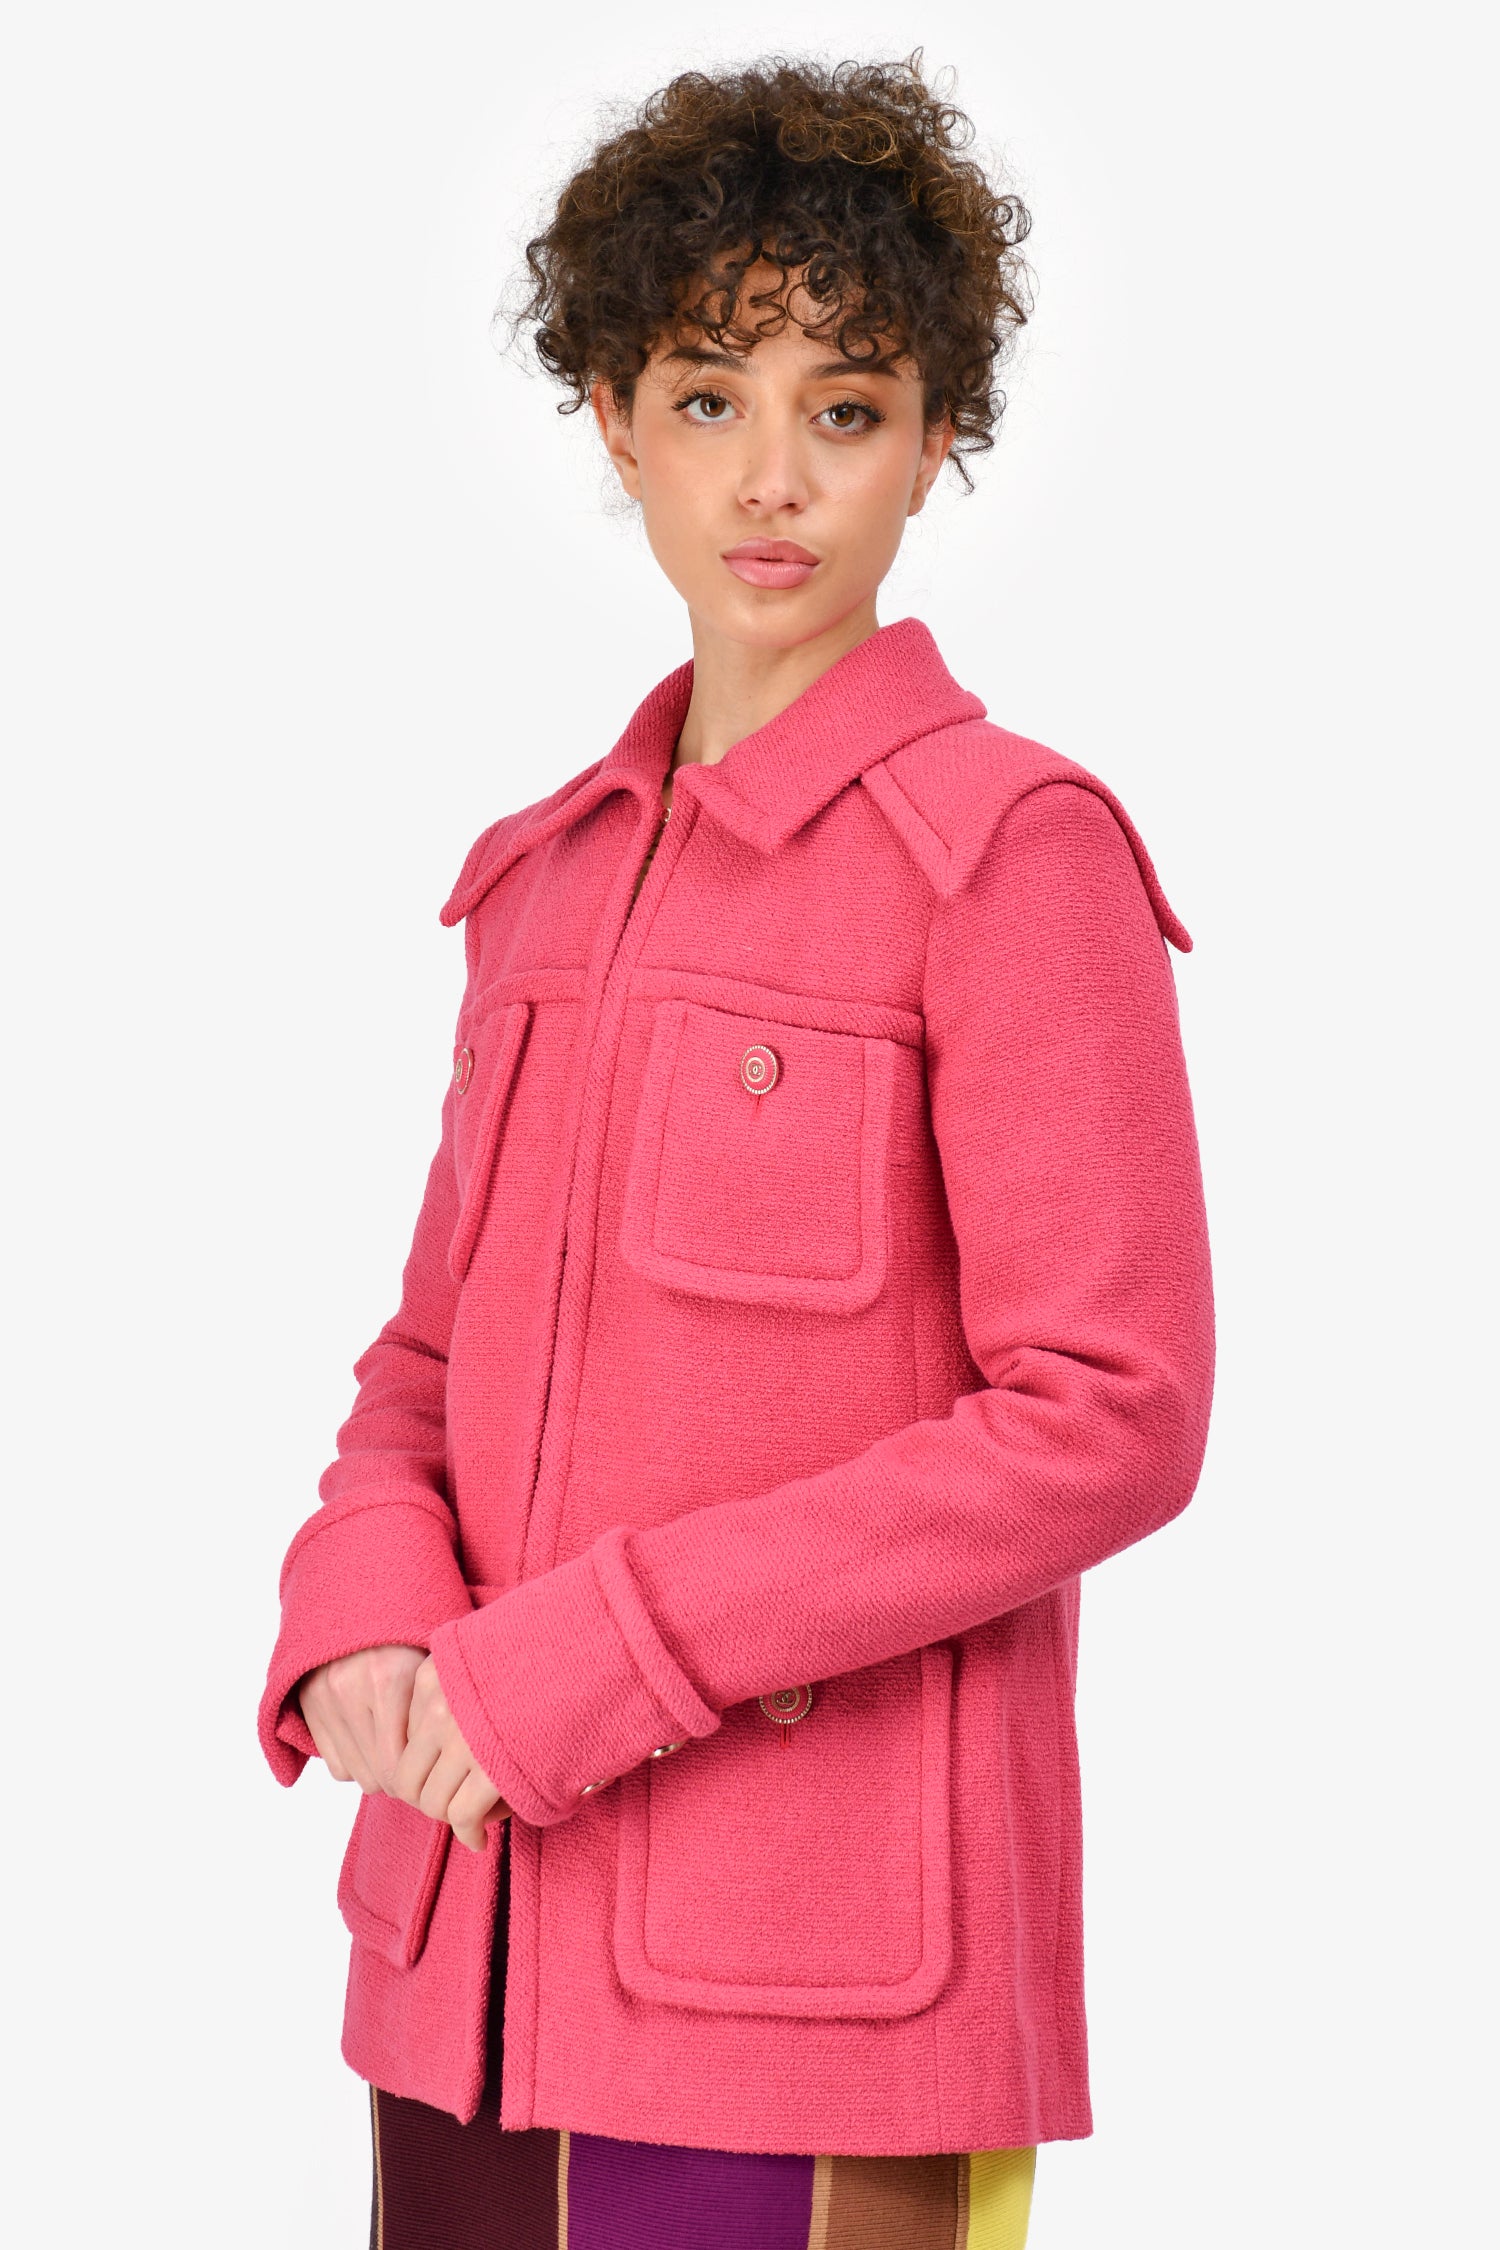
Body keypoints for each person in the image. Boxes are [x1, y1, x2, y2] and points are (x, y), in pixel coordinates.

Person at [258, 52, 1215, 2249]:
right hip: (463, 1959)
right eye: (708, 399)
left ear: (935, 439)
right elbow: (426, 1368)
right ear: (614, 420)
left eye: (846, 409)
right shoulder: (544, 883)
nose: (773, 479)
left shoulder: (1011, 857)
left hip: (814, 1989)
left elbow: (1113, 1411)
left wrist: (597, 1663)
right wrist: (360, 1622)